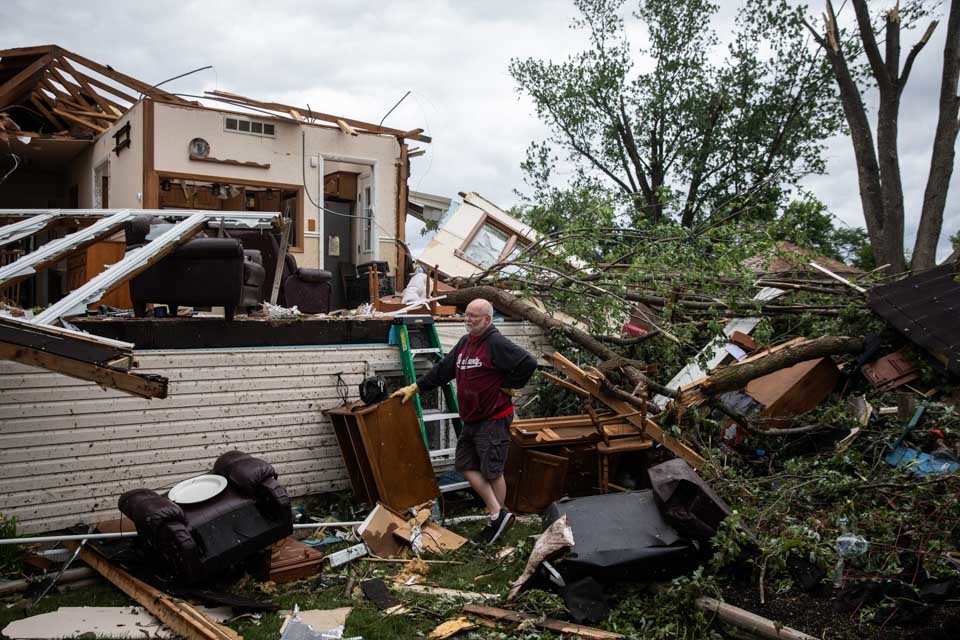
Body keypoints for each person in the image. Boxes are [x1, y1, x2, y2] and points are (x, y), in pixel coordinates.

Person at [392, 298, 537, 544]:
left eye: (473, 316)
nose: (467, 320)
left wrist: (509, 385)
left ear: (488, 320)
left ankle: (495, 521)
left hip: (493, 417)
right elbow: (444, 370)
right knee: (465, 464)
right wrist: (416, 386)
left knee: (492, 471)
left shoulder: (495, 342)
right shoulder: (466, 343)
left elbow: (528, 362)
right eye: (466, 315)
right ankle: (498, 514)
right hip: (472, 419)